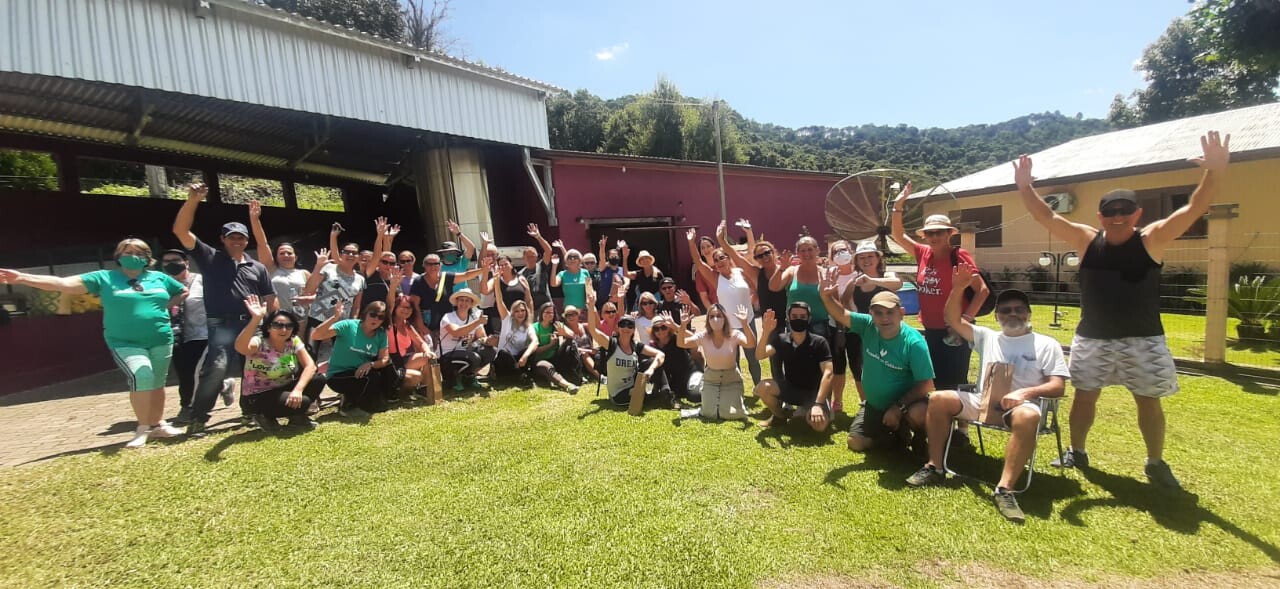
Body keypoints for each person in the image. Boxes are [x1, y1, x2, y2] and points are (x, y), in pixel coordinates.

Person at [1012, 131, 1231, 488]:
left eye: (1125, 211)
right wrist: (1024, 187)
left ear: (1137, 213)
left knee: (1148, 401)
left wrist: (1215, 172)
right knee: (1085, 397)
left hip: (1143, 339)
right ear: (1100, 216)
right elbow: (1046, 216)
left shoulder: (1152, 239)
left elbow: (1193, 209)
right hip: (1092, 337)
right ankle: (1077, 451)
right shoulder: (1086, 240)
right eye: (1111, 212)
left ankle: (1155, 462)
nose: (1118, 217)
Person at [906, 266, 1069, 523]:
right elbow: (952, 318)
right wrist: (958, 288)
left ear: (1028, 313)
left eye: (1018, 309)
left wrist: (1025, 392)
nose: (1012, 314)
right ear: (997, 316)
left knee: (1027, 416)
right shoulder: (987, 337)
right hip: (983, 400)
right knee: (938, 398)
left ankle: (1005, 489)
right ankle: (935, 466)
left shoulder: (1046, 344)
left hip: (1022, 405)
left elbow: (1058, 386)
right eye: (1005, 310)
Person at [0, 239, 188, 447]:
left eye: (139, 253)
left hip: (160, 338)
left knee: (157, 383)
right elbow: (63, 284)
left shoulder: (159, 277)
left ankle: (158, 424)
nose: (133, 257)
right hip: (124, 341)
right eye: (127, 252)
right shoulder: (104, 278)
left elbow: (182, 291)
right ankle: (143, 428)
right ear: (118, 257)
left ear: (147, 257)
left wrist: (165, 307)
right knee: (141, 376)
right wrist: (23, 278)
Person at [172, 183, 276, 435]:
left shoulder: (257, 268)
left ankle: (251, 412)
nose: (236, 241)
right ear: (223, 239)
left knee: (253, 368)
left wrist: (270, 320)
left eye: (241, 237)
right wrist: (193, 200)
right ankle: (198, 418)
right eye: (232, 237)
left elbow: (270, 296)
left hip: (251, 324)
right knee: (216, 368)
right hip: (221, 324)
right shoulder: (210, 257)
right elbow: (180, 230)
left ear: (246, 240)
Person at [890, 186, 990, 401]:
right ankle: (936, 418)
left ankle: (957, 421)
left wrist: (964, 321)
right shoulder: (923, 253)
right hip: (931, 329)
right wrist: (898, 206)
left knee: (952, 382)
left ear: (948, 234)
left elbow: (982, 290)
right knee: (931, 379)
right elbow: (898, 235)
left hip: (954, 330)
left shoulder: (958, 256)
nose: (933, 236)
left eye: (939, 232)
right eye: (929, 233)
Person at [824, 281, 935, 452]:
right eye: (878, 313)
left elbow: (926, 384)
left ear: (901, 313)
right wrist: (826, 296)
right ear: (871, 314)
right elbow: (841, 314)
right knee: (855, 442)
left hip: (906, 405)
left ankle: (921, 440)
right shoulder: (867, 325)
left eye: (890, 312)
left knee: (919, 413)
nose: (884, 318)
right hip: (874, 406)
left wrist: (898, 407)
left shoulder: (914, 343)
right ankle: (895, 439)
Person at [828, 240, 902, 412]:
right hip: (863, 334)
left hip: (888, 334)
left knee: (889, 369)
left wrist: (872, 280)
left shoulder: (888, 275)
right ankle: (867, 405)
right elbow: (844, 303)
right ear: (857, 261)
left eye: (870, 256)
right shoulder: (854, 282)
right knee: (862, 370)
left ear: (878, 258)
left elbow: (897, 283)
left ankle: (893, 406)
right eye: (862, 257)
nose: (866, 260)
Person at [234, 295, 324, 429]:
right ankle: (262, 416)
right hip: (258, 395)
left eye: (289, 326)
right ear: (268, 327)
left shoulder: (293, 341)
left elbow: (310, 366)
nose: (283, 330)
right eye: (278, 325)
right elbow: (240, 347)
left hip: (282, 388)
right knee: (304, 402)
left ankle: (296, 417)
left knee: (318, 379)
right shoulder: (259, 342)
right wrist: (256, 319)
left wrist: (298, 390)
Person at [691, 224, 762, 385]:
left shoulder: (741, 272)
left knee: (753, 358)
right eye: (716, 260)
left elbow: (755, 289)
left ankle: (758, 387)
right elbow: (699, 263)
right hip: (728, 326)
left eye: (722, 258)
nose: (719, 262)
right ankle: (736, 389)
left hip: (748, 321)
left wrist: (751, 303)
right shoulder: (716, 278)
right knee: (733, 360)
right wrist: (691, 242)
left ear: (729, 259)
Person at [752, 304, 833, 432]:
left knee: (820, 427)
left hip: (814, 394)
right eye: (794, 316)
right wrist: (766, 332)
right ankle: (779, 417)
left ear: (809, 319)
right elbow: (759, 355)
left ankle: (809, 411)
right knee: (762, 388)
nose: (798, 319)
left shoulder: (819, 342)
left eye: (802, 316)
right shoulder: (781, 339)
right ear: (788, 319)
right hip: (791, 389)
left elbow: (828, 373)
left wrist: (818, 404)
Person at [311, 299, 395, 418]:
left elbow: (384, 359)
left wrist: (370, 364)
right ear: (365, 313)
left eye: (380, 317)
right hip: (338, 376)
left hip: (361, 372)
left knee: (385, 372)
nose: (376, 319)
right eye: (373, 315)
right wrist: (334, 318)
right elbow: (316, 335)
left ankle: (380, 398)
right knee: (371, 377)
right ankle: (348, 406)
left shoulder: (381, 334)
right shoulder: (348, 326)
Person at [585, 293, 666, 409]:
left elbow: (660, 354)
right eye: (623, 325)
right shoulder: (611, 343)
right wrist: (591, 306)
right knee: (644, 397)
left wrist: (651, 369)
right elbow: (592, 330)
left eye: (630, 326)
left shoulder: (635, 345)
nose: (626, 328)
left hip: (633, 385)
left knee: (652, 361)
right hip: (618, 394)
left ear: (633, 330)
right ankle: (651, 394)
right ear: (618, 328)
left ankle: (665, 392)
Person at [679, 304, 756, 420]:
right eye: (711, 316)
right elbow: (681, 343)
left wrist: (744, 324)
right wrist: (683, 325)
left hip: (731, 380)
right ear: (708, 320)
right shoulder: (703, 336)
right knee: (709, 413)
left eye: (719, 316)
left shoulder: (734, 335)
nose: (715, 319)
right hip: (711, 380)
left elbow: (751, 343)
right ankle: (703, 404)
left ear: (725, 318)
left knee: (730, 414)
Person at [159, 248, 208, 426]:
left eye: (175, 260)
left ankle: (188, 406)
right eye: (166, 261)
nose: (171, 264)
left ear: (186, 263)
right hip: (175, 335)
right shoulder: (160, 285)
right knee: (184, 373)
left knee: (195, 372)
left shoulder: (202, 281)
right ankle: (222, 386)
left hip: (201, 334)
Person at [247, 200, 311, 322]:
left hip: (301, 319)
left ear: (296, 257)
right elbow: (262, 244)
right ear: (276, 257)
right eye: (281, 253)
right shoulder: (271, 269)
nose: (286, 255)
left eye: (289, 253)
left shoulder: (304, 273)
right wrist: (255, 220)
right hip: (276, 321)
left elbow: (318, 294)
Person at [385, 265, 436, 399]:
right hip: (391, 364)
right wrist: (393, 286)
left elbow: (421, 342)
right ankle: (400, 394)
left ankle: (425, 390)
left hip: (404, 360)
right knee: (416, 376)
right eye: (403, 307)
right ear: (396, 308)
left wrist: (427, 351)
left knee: (429, 357)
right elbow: (389, 305)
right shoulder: (389, 323)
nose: (406, 310)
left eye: (409, 308)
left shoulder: (407, 325)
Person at [408, 253, 485, 340]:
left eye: (436, 263)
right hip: (427, 327)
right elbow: (415, 306)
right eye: (429, 264)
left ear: (440, 265)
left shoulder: (446, 277)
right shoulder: (418, 281)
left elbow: (466, 275)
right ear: (424, 265)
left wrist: (484, 269)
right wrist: (421, 326)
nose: (433, 266)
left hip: (447, 325)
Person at [770, 236, 832, 339]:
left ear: (817, 250)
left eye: (810, 249)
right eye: (802, 250)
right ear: (797, 253)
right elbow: (774, 287)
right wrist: (781, 268)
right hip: (795, 324)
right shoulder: (791, 271)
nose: (806, 253)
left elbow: (834, 300)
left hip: (819, 324)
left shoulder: (825, 273)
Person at [438, 288, 497, 392]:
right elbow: (456, 332)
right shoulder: (448, 317)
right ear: (457, 302)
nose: (464, 303)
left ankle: (469, 377)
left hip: (466, 353)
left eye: (467, 301)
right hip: (447, 356)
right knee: (474, 358)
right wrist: (478, 322)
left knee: (490, 351)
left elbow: (482, 337)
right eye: (461, 300)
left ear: (471, 304)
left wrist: (490, 340)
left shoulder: (473, 318)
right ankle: (454, 379)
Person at [492, 276, 537, 388]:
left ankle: (517, 375)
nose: (520, 313)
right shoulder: (507, 319)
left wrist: (525, 356)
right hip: (504, 360)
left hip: (519, 360)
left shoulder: (528, 326)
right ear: (513, 313)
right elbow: (499, 300)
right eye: (517, 311)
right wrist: (496, 281)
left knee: (530, 350)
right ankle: (519, 376)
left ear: (526, 312)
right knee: (503, 353)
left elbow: (535, 341)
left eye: (522, 311)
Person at [648, 312, 699, 407]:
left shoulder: (677, 338)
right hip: (673, 380)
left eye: (663, 327)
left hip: (688, 375)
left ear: (668, 328)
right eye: (656, 329)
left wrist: (674, 326)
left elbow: (694, 338)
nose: (660, 331)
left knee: (695, 397)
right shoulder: (653, 345)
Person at [528, 302, 580, 392]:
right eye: (547, 312)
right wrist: (550, 345)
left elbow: (572, 335)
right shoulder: (534, 327)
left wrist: (564, 333)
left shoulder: (556, 324)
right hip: (540, 360)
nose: (549, 315)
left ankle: (576, 375)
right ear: (541, 313)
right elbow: (535, 350)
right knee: (546, 366)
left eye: (551, 313)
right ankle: (567, 385)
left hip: (556, 357)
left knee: (570, 342)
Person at [551, 241, 593, 311]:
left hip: (583, 310)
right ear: (566, 261)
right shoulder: (562, 274)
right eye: (569, 257)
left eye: (575, 257)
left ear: (580, 260)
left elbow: (589, 291)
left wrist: (590, 307)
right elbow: (553, 284)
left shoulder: (585, 272)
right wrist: (554, 266)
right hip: (569, 311)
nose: (572, 259)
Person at [522, 223, 556, 308]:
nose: (531, 258)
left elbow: (548, 250)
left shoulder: (542, 266)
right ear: (524, 258)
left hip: (546, 307)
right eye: (528, 256)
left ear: (537, 256)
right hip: (531, 308)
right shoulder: (520, 274)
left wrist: (538, 236)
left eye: (533, 255)